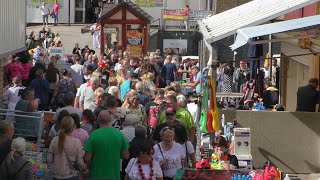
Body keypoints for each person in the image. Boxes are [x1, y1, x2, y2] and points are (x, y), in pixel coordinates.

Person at [84, 110, 129, 180]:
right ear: (110, 120)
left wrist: (91, 166)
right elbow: (126, 156)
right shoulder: (118, 134)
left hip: (96, 175)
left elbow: (87, 158)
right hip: (114, 176)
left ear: (98, 120)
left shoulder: (93, 135)